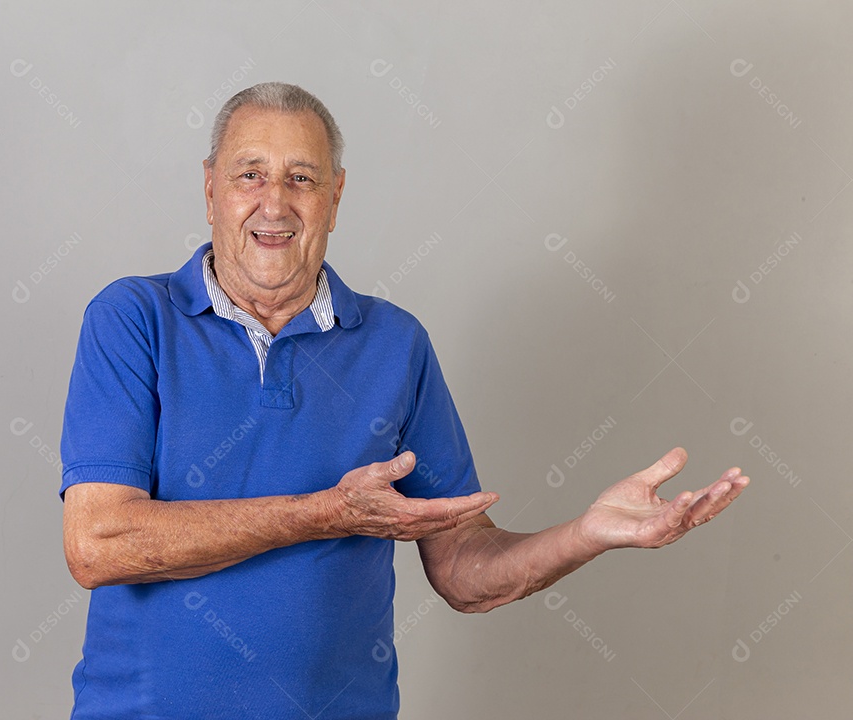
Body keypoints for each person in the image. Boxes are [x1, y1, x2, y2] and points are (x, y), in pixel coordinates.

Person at [58, 81, 749, 720]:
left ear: (336, 196)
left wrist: (586, 534)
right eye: (250, 175)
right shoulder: (133, 319)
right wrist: (326, 514)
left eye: (303, 177)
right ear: (211, 190)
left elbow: (462, 569)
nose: (275, 202)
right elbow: (99, 545)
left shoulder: (395, 343)